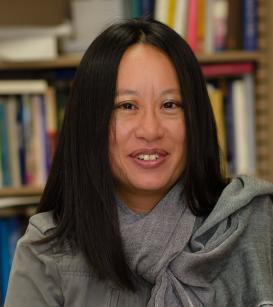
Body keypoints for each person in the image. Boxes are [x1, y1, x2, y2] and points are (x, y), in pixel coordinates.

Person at [4, 18, 273, 307]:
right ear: (91, 121)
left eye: (170, 105)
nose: (150, 130)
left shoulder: (252, 224)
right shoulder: (46, 253)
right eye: (126, 106)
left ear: (196, 118)